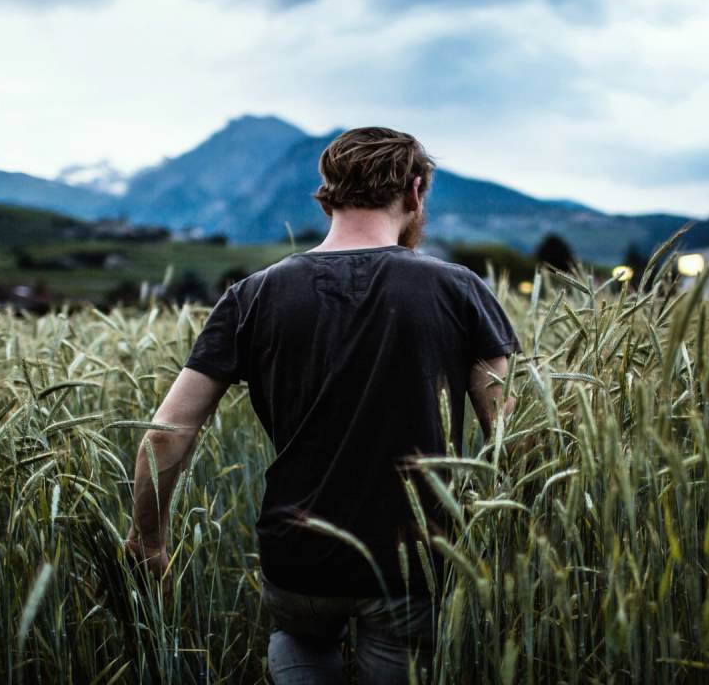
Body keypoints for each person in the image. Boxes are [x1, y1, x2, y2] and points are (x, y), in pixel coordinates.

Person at [124, 127, 522, 683]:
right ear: (414, 192)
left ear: (326, 195)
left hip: (296, 562)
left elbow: (165, 432)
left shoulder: (252, 294)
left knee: (296, 639)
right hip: (413, 565)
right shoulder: (459, 289)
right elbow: (514, 437)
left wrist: (150, 539)